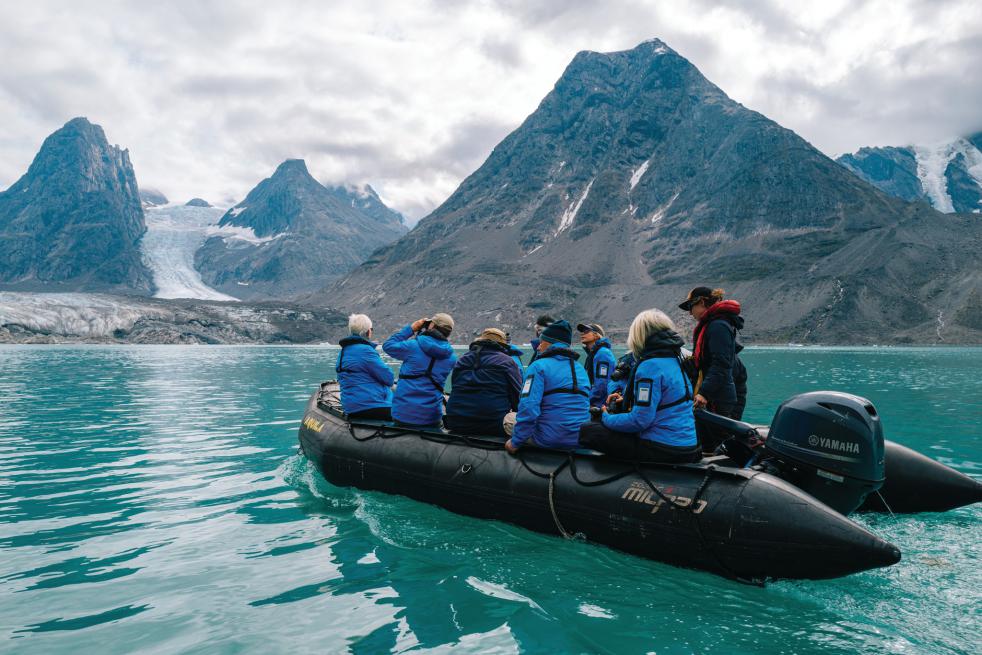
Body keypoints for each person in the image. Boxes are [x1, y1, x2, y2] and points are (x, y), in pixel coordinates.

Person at [579, 309, 701, 463]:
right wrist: (625, 400)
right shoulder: (675, 359)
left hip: (663, 446)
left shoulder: (650, 366)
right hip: (687, 443)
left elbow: (639, 421)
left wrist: (606, 417)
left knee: (588, 430)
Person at [504, 320, 590, 453]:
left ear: (549, 343)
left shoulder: (538, 366)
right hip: (580, 439)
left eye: (541, 342)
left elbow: (529, 407)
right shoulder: (580, 369)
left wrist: (515, 443)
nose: (538, 347)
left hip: (549, 439)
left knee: (508, 418)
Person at [679, 287, 748, 450]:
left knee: (715, 442)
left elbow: (721, 364)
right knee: (710, 439)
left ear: (701, 302)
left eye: (691, 307)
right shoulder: (715, 324)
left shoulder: (717, 326)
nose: (690, 313)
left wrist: (704, 392)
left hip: (718, 396)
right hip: (718, 393)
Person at [445, 328, 523, 437]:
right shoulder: (507, 362)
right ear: (503, 346)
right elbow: (518, 396)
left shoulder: (462, 359)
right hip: (493, 424)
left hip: (456, 422)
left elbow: (455, 387)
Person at [383, 313, 457, 427]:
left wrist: (411, 329)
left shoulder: (412, 346)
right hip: (432, 418)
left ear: (431, 326)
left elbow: (388, 345)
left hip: (403, 415)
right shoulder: (452, 358)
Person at [336, 314, 394, 420]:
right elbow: (389, 379)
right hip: (372, 406)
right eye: (371, 329)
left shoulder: (344, 351)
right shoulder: (366, 351)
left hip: (351, 407)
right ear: (368, 331)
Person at [577, 322, 616, 410]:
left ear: (596, 335)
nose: (583, 333)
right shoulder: (593, 354)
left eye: (587, 331)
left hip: (599, 406)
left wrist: (588, 401)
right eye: (582, 331)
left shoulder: (602, 354)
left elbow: (602, 384)